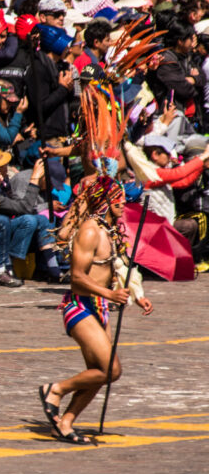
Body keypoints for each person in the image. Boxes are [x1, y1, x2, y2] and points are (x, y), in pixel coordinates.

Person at [39, 176, 153, 445]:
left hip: (101, 307)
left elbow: (117, 269)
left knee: (98, 373)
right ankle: (55, 390)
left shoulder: (109, 231)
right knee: (111, 370)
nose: (123, 203)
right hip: (80, 306)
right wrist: (110, 294)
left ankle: (65, 423)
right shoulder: (90, 231)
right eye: (117, 198)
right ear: (103, 201)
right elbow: (77, 278)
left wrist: (136, 295)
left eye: (123, 197)